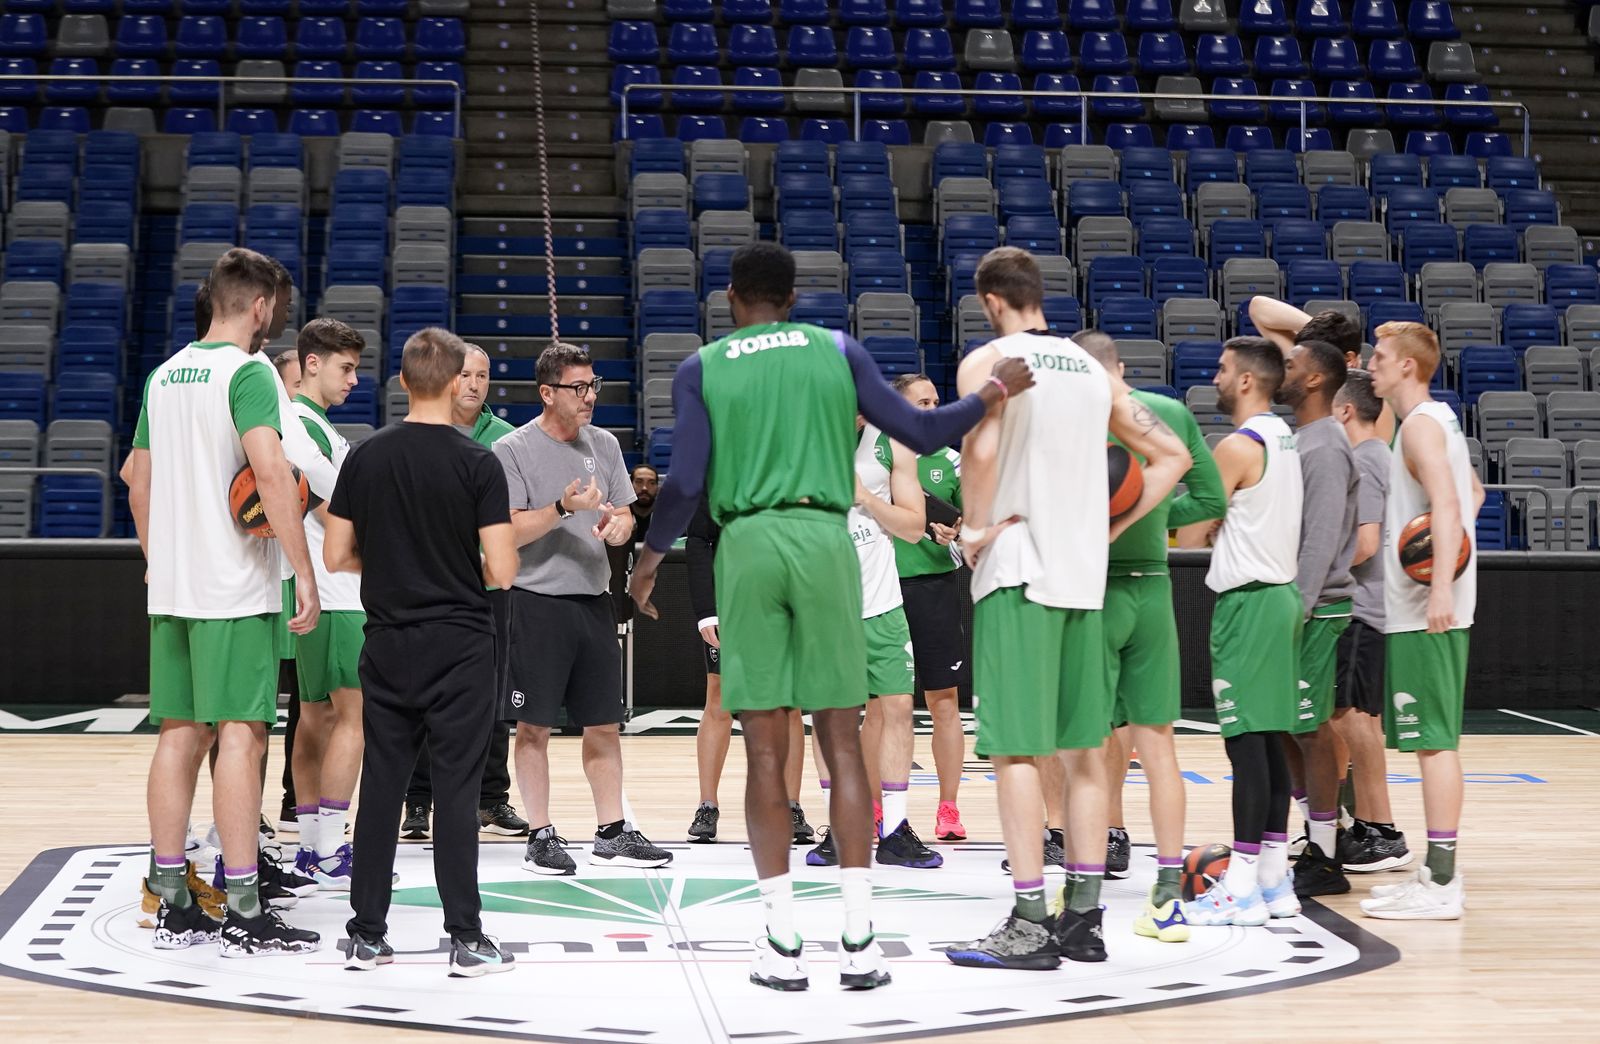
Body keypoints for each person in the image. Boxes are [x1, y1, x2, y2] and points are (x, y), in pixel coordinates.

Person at [630, 241, 1034, 991]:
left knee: (765, 748)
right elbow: (921, 433)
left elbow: (685, 479)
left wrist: (652, 560)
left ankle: (781, 942)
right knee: (843, 742)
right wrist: (992, 394)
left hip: (748, 545)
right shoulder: (837, 350)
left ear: (730, 300)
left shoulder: (702, 367)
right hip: (825, 539)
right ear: (792, 299)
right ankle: (859, 941)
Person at [941, 249, 1190, 971]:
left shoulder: (989, 358)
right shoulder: (1090, 369)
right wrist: (1105, 529)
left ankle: (1026, 921)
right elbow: (1170, 457)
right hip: (1085, 576)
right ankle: (1083, 922)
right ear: (1039, 295)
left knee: (1017, 752)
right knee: (1086, 754)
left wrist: (976, 531)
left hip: (1019, 572)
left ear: (990, 300)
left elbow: (981, 451)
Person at [121, 247, 322, 956]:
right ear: (262, 306)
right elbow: (270, 471)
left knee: (180, 733)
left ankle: (172, 898)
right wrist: (303, 569)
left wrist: (159, 561)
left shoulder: (165, 372)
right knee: (241, 734)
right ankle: (242, 907)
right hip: (233, 586)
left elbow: (135, 483)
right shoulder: (251, 372)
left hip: (174, 584)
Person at [323, 326, 520, 976]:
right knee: (458, 795)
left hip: (388, 642)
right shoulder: (478, 463)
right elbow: (503, 569)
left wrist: (395, 568)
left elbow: (336, 553)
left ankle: (366, 935)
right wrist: (457, 566)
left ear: (403, 381)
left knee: (381, 787)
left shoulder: (365, 457)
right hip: (461, 646)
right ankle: (466, 939)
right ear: (456, 379)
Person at [496, 342, 671, 875]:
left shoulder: (606, 444)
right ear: (547, 393)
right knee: (534, 728)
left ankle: (612, 831)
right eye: (579, 387)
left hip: (594, 601)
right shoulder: (512, 449)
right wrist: (560, 508)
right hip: (535, 603)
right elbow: (508, 529)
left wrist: (621, 525)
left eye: (594, 385)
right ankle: (541, 834)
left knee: (604, 724)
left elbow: (622, 513)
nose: (590, 395)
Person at [1075, 331, 1225, 944]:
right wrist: (1158, 513)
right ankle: (1167, 893)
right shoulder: (1170, 413)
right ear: (1122, 368)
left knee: (1086, 742)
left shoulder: (1075, 420)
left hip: (1092, 590)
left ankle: (1084, 886)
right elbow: (1213, 496)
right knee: (1158, 744)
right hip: (1154, 591)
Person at [1176, 337, 1304, 929]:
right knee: (1270, 743)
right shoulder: (1285, 436)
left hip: (1249, 604)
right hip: (1280, 599)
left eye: (1224, 369)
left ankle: (1244, 888)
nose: (1217, 377)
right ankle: (1276, 881)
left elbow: (1194, 532)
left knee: (1245, 746)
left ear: (1249, 380)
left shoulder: (1237, 444)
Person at [1360, 322, 1483, 921]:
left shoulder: (1422, 427)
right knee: (1430, 743)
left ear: (1408, 366)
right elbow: (1475, 493)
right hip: (1427, 605)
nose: (1371, 363)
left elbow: (1453, 502)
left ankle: (1441, 882)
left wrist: (1438, 583)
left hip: (1428, 610)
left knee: (1434, 745)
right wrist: (1448, 551)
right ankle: (1434, 873)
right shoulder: (1435, 421)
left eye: (1380, 357)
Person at [402, 343, 527, 842]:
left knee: (492, 695)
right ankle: (418, 801)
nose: (475, 384)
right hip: (431, 582)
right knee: (421, 696)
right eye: (466, 374)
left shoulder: (507, 441)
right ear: (449, 379)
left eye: (483, 375)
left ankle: (491, 798)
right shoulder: (422, 433)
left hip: (491, 583)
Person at [808, 416, 941, 870]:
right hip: (824, 608)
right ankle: (840, 828)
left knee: (899, 709)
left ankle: (895, 829)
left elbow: (912, 526)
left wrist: (864, 497)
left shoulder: (891, 444)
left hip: (883, 605)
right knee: (831, 718)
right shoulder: (801, 438)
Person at [1275, 340, 1361, 900]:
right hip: (1296, 604)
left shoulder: (1326, 445)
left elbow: (1324, 538)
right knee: (1287, 725)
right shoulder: (1301, 439)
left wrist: (1298, 606)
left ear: (1313, 381)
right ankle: (1319, 834)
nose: (1280, 370)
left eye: (1291, 364)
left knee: (1310, 727)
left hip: (1317, 606)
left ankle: (1329, 855)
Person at [285, 319, 369, 890]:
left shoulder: (312, 425)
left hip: (320, 590)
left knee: (314, 716)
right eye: (346, 368)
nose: (355, 380)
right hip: (338, 592)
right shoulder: (301, 425)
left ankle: (312, 846)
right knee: (353, 719)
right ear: (312, 363)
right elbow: (332, 508)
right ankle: (331, 846)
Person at [685, 497, 814, 845]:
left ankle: (790, 805)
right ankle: (707, 804)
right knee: (720, 697)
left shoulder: (792, 466)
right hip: (731, 600)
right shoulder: (720, 467)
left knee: (790, 702)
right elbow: (698, 540)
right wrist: (706, 610)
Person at [1331, 371, 1412, 873]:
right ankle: (1366, 826)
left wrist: (1311, 568)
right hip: (1372, 605)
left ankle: (1380, 831)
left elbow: (1363, 543)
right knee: (1350, 716)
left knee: (1354, 717)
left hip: (1362, 606)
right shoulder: (1380, 454)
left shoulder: (1365, 458)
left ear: (1344, 411)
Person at [887, 373, 971, 841]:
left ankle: (948, 808)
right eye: (924, 400)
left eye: (937, 400)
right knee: (881, 704)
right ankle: (882, 808)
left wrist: (954, 532)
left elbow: (970, 522)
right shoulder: (874, 458)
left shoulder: (951, 462)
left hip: (936, 587)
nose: (933, 407)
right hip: (883, 590)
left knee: (944, 702)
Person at [629, 464, 659, 546]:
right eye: (639, 482)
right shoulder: (619, 513)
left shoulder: (668, 515)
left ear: (657, 487)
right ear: (629, 485)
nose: (644, 488)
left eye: (651, 483)